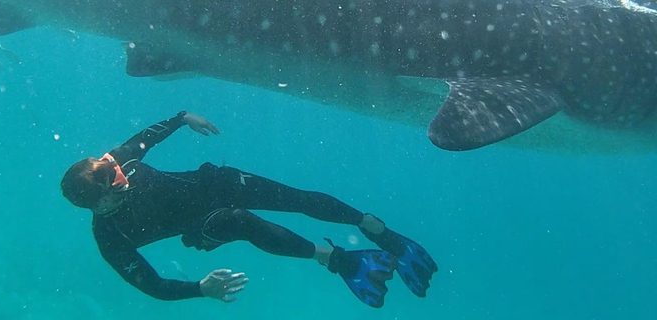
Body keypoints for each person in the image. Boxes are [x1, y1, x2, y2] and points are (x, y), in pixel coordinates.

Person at [60, 111, 438, 308]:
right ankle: (336, 259)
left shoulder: (115, 163)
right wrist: (200, 289)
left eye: (114, 167)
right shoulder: (110, 237)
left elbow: (144, 138)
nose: (121, 173)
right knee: (241, 222)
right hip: (203, 225)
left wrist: (181, 117)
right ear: (99, 201)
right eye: (113, 179)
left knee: (296, 198)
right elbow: (154, 285)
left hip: (215, 182)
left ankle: (375, 228)